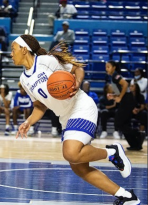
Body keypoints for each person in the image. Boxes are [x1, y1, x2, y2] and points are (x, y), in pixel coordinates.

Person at [11, 35, 140, 204]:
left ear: (24, 49)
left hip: (81, 106)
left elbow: (77, 69)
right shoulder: (23, 80)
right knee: (78, 166)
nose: (11, 54)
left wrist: (77, 82)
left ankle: (112, 153)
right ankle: (126, 196)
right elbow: (40, 106)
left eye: (13, 49)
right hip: (66, 118)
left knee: (71, 152)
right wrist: (28, 122)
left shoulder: (45, 61)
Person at [106, 60, 145, 151]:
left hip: (127, 101)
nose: (106, 69)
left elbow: (125, 84)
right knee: (124, 124)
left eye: (108, 67)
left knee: (119, 123)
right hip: (127, 100)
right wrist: (114, 96)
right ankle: (135, 145)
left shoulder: (115, 75)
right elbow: (121, 91)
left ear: (114, 67)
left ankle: (138, 133)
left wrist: (119, 98)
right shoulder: (113, 76)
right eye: (106, 67)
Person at [129, 82, 147, 150]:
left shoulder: (141, 96)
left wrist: (138, 110)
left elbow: (142, 106)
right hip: (129, 112)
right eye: (130, 86)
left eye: (132, 86)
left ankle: (141, 131)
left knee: (144, 113)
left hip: (138, 112)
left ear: (136, 88)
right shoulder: (128, 96)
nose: (130, 87)